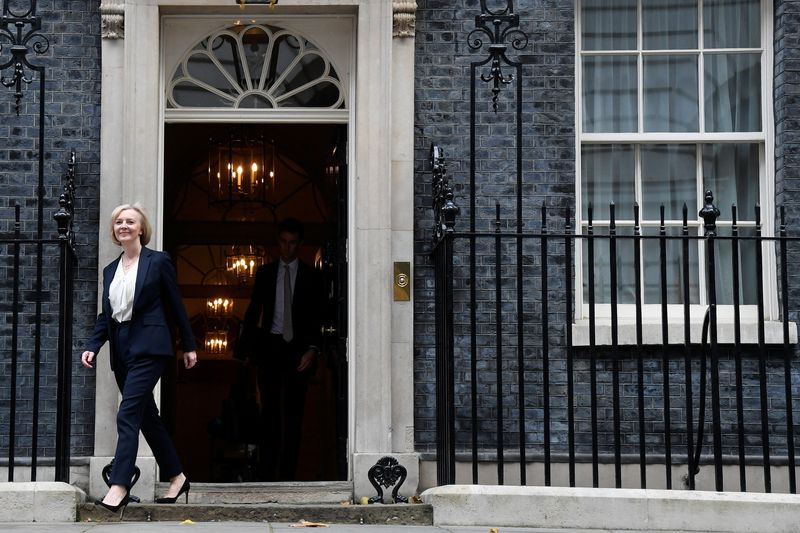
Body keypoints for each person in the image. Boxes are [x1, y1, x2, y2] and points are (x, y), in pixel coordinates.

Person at [81, 203, 197, 512]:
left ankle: (119, 485)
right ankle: (176, 476)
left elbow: (175, 305)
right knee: (148, 418)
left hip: (150, 347)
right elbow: (106, 316)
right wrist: (94, 345)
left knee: (128, 412)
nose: (124, 225)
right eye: (119, 221)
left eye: (130, 221)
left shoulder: (158, 262)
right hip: (121, 349)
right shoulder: (110, 270)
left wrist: (189, 345)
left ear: (141, 228)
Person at [240, 217, 322, 481]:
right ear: (278, 242)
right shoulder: (265, 273)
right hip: (270, 348)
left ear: (299, 244)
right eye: (284, 242)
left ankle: (289, 474)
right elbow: (253, 311)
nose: (288, 248)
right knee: (270, 414)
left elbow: (319, 316)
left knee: (294, 415)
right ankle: (267, 473)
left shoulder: (312, 276)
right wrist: (244, 353)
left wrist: (313, 349)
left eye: (293, 243)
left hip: (299, 352)